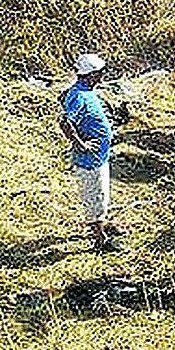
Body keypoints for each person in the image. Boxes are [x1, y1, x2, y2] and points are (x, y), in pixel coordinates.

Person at [58, 53, 121, 253]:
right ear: (92, 75)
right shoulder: (79, 96)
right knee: (94, 196)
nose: (102, 77)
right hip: (89, 159)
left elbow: (63, 99)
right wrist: (79, 144)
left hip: (99, 156)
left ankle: (101, 223)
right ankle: (99, 239)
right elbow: (65, 122)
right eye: (100, 73)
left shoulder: (82, 91)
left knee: (101, 193)